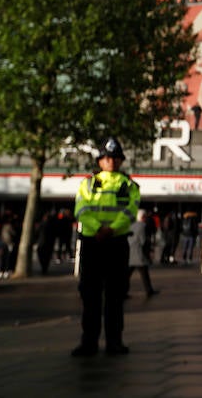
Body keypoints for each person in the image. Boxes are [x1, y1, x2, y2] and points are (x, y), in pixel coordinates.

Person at [72, 137, 140, 356]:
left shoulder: (128, 184)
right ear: (100, 161)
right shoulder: (88, 183)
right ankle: (89, 342)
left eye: (115, 158)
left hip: (116, 243)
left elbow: (131, 210)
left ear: (121, 161)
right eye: (107, 157)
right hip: (93, 243)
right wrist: (99, 229)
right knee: (90, 295)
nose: (111, 161)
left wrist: (110, 229)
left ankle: (114, 341)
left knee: (115, 295)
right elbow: (81, 209)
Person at [127, 209, 159, 298]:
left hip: (131, 252)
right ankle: (149, 290)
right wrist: (149, 250)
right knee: (144, 273)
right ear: (143, 217)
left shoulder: (131, 225)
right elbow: (143, 241)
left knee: (128, 274)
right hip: (139, 253)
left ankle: (123, 291)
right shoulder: (142, 226)